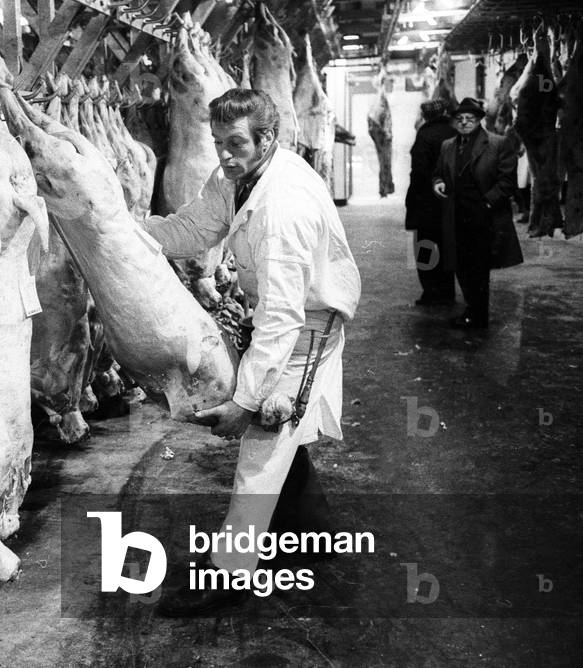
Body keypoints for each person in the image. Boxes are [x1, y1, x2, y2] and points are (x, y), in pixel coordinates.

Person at [140, 88, 362, 616]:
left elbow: (284, 318)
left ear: (269, 138)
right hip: (278, 314)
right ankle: (312, 527)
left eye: (235, 142)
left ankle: (231, 573)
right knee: (286, 436)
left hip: (305, 325)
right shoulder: (236, 176)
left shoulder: (283, 206)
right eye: (218, 142)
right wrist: (125, 231)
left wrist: (245, 399)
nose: (223, 153)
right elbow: (194, 228)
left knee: (263, 439)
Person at [432, 97, 523, 329]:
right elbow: (438, 173)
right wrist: (438, 182)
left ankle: (478, 315)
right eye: (460, 119)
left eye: (469, 119)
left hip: (484, 217)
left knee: (479, 268)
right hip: (455, 215)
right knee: (460, 265)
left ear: (479, 120)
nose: (464, 123)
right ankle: (471, 309)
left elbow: (507, 182)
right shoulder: (447, 146)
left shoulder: (498, 143)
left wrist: (487, 203)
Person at [406, 99, 457, 305]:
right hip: (448, 200)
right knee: (447, 247)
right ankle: (448, 291)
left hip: (425, 203)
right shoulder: (454, 132)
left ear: (425, 115)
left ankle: (430, 292)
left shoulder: (424, 135)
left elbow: (419, 171)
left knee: (425, 248)